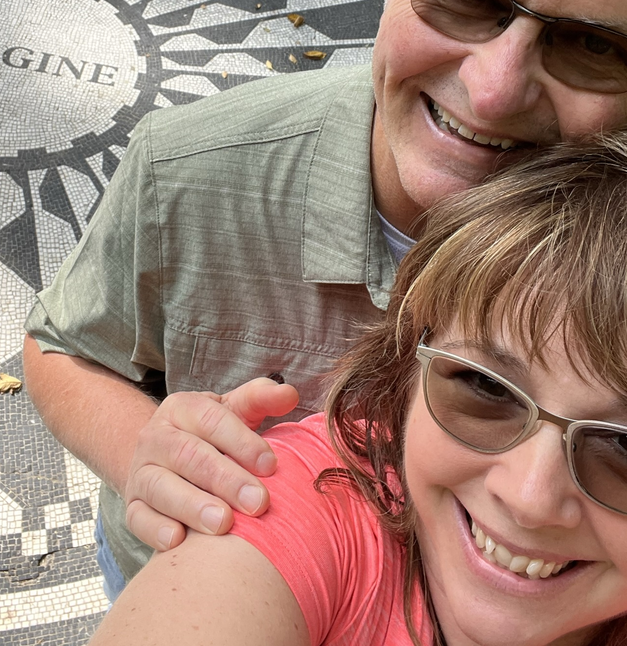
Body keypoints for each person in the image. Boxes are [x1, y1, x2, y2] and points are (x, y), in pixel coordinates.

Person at [23, 0, 627, 593]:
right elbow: (62, 347)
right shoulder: (192, 169)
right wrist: (148, 454)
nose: (491, 89)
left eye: (592, 46)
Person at [88, 136, 627, 646]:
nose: (529, 499)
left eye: (622, 445)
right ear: (406, 374)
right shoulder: (320, 497)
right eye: (485, 386)